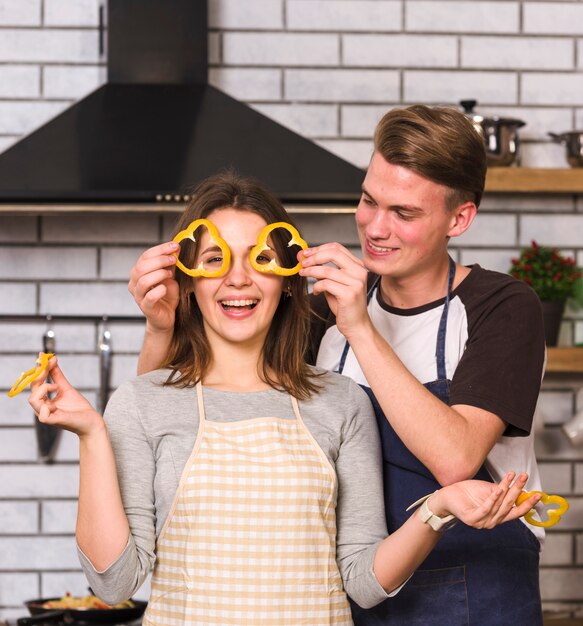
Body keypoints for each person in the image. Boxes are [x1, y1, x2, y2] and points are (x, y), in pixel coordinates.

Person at [29, 172, 539, 626]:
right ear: (186, 280)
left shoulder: (341, 401)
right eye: (214, 259)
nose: (237, 277)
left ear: (292, 279)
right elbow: (114, 585)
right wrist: (92, 434)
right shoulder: (140, 401)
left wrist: (439, 507)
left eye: (261, 258)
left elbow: (362, 580)